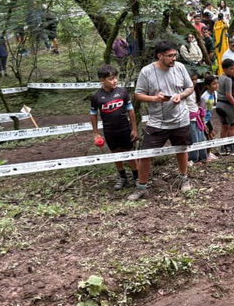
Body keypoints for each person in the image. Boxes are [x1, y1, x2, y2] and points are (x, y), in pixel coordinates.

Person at [129, 41, 194, 200]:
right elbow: (137, 94)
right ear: (160, 56)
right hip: (157, 121)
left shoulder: (179, 67)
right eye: (170, 56)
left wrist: (181, 95)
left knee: (181, 149)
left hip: (180, 118)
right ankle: (142, 187)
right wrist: (154, 98)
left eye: (175, 55)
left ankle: (184, 178)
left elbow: (190, 87)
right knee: (146, 154)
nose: (174, 58)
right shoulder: (147, 71)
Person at [90, 64, 139, 191]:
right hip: (109, 131)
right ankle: (123, 177)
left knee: (129, 153)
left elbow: (131, 111)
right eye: (111, 79)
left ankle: (137, 177)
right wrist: (96, 133)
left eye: (116, 77)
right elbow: (93, 115)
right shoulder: (96, 96)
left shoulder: (122, 92)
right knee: (115, 154)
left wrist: (134, 129)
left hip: (124, 129)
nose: (115, 81)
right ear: (102, 80)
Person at [186, 71, 212, 164]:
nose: (194, 81)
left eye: (195, 79)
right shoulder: (184, 91)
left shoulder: (195, 90)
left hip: (197, 117)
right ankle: (193, 159)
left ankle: (203, 157)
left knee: (201, 138)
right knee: (194, 139)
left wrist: (202, 118)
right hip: (190, 118)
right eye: (192, 79)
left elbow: (197, 104)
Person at [216, 59, 234, 155]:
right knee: (232, 125)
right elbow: (228, 95)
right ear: (225, 69)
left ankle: (223, 148)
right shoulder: (228, 79)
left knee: (224, 125)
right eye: (231, 69)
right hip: (226, 106)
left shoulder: (221, 77)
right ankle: (233, 148)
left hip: (219, 105)